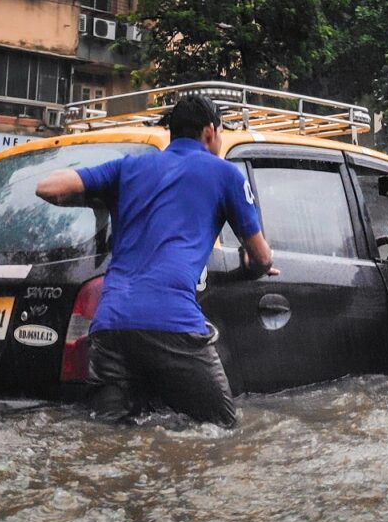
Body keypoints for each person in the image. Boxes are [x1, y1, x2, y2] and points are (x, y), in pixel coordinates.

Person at [35, 95, 277, 427]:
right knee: (222, 430)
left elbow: (47, 187)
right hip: (173, 323)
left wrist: (98, 198)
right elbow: (261, 256)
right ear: (210, 132)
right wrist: (256, 266)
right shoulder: (225, 175)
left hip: (110, 326)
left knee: (106, 436)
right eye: (221, 133)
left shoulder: (128, 167)